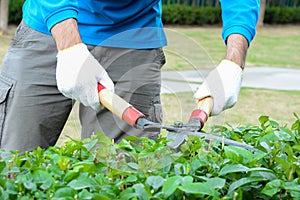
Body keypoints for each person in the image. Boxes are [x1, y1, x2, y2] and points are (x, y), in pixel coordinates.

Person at [0, 0, 260, 152]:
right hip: (47, 24)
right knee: (13, 164)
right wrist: (69, 46)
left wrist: (233, 62)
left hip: (134, 36)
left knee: (123, 173)